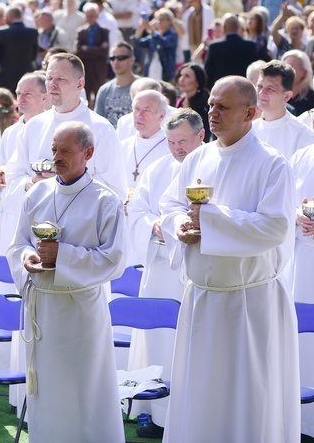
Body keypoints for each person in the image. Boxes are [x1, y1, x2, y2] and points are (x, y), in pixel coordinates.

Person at [159, 76, 300, 443]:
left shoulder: (271, 164)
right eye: (210, 105)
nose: (212, 112)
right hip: (202, 297)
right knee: (200, 396)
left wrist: (208, 220)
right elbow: (171, 206)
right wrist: (181, 228)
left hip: (248, 302)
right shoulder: (198, 157)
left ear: (250, 112)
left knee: (246, 399)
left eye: (223, 106)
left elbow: (275, 227)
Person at [7, 121, 127, 443]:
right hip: (43, 306)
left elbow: (113, 260)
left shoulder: (105, 200)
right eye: (53, 150)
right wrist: (26, 260)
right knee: (49, 391)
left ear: (88, 152)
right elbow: (17, 244)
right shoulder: (38, 193)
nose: (56, 157)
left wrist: (63, 255)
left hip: (81, 311)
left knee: (83, 389)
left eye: (65, 150)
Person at [126, 109, 205, 438]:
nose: (177, 148)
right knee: (156, 339)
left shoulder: (212, 164)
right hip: (159, 267)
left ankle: (192, 414)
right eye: (171, 142)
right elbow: (137, 210)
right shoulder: (157, 169)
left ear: (200, 136)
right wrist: (154, 226)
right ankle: (152, 411)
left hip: (196, 268)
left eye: (183, 141)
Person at [5, 53, 127, 203]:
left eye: (61, 79)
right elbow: (13, 175)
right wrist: (30, 183)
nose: (52, 84)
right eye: (49, 78)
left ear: (79, 84)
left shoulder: (101, 129)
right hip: (38, 219)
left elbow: (115, 190)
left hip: (80, 222)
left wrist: (67, 183)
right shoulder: (34, 125)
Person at [0, 72, 47, 256]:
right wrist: (0, 176)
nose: (20, 99)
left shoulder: (51, 130)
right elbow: (0, 165)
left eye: (27, 94)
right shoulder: (10, 132)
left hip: (36, 217)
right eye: (18, 94)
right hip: (9, 211)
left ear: (44, 97)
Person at [289, 139, 314, 438]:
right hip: (301, 261)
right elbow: (284, 199)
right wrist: (294, 216)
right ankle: (301, 423)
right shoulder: (302, 155)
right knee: (303, 341)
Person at [253, 60, 314, 161]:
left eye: (270, 88)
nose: (261, 92)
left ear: (286, 96)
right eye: (259, 86)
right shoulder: (249, 130)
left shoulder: (304, 137)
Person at [121, 89, 170, 188]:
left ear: (161, 115)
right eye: (137, 108)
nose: (139, 115)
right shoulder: (123, 146)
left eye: (146, 110)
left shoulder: (171, 148)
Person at [204, 15, 258, 89]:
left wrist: (210, 90)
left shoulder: (214, 47)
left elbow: (208, 72)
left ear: (224, 28)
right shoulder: (250, 46)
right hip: (243, 89)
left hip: (221, 90)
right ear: (238, 27)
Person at [0, 6, 38, 93]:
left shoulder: (1, 33)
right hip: (26, 72)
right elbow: (34, 55)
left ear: (11, 16)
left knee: (5, 103)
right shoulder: (32, 32)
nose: (4, 19)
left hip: (7, 74)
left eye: (5, 16)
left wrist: (5, 64)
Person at [94, 41, 139, 128]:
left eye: (121, 58)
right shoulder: (104, 90)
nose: (116, 61)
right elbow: (97, 123)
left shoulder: (143, 86)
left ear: (132, 60)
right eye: (112, 58)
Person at [76, 3, 110, 105]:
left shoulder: (104, 31)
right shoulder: (81, 32)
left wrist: (87, 49)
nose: (89, 18)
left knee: (99, 94)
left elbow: (104, 51)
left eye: (91, 16)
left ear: (97, 15)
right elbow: (78, 52)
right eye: (87, 16)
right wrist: (97, 50)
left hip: (99, 68)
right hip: (86, 68)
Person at [175, 63, 211, 141]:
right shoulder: (178, 101)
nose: (181, 79)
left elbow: (205, 136)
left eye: (187, 76)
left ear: (197, 82)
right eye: (181, 75)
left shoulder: (204, 107)